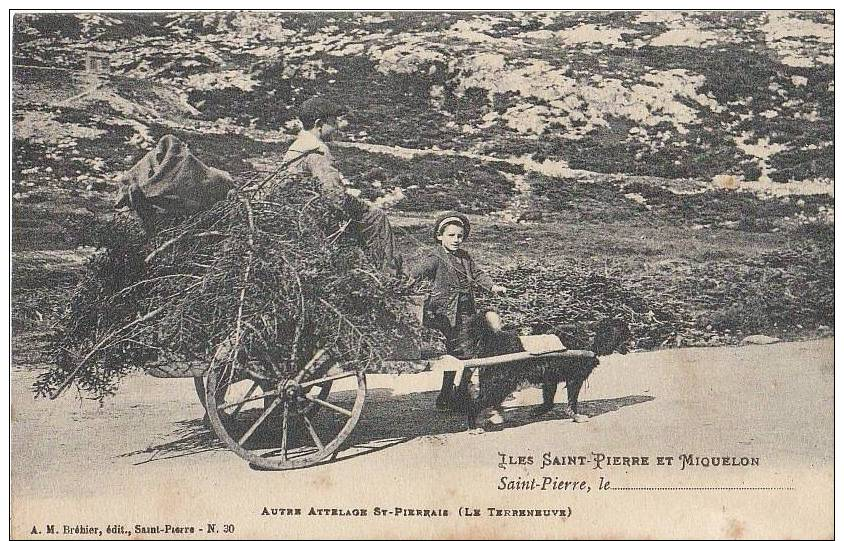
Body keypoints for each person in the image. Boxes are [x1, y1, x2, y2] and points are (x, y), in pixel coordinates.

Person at [265, 96, 402, 274]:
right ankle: (389, 276)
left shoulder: (297, 146)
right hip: (315, 213)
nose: (337, 126)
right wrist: (360, 204)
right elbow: (333, 195)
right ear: (319, 123)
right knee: (377, 218)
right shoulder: (316, 150)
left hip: (298, 208)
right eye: (333, 121)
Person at [406, 212, 507, 413]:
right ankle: (451, 396)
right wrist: (403, 288)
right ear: (439, 236)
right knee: (461, 354)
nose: (456, 240)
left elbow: (478, 274)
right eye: (451, 235)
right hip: (445, 315)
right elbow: (414, 274)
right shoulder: (435, 258)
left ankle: (452, 395)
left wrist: (493, 287)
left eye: (459, 236)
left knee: (467, 355)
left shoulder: (465, 257)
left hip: (466, 312)